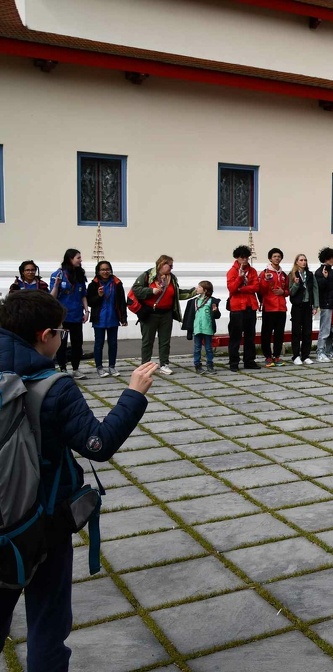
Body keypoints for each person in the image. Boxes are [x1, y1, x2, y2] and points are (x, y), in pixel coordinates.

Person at [0, 290, 156, 671]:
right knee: (48, 625)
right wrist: (133, 394)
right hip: (43, 522)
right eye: (61, 332)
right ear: (45, 336)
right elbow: (97, 444)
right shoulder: (54, 386)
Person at [131, 255, 192, 375]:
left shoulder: (172, 278)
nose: (171, 268)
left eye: (172, 265)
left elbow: (176, 293)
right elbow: (136, 290)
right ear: (161, 264)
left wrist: (193, 292)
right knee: (148, 341)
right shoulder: (148, 275)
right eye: (169, 265)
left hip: (166, 314)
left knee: (165, 341)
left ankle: (164, 364)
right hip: (150, 314)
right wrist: (151, 291)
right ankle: (145, 365)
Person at [50, 249, 89, 379]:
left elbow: (83, 295)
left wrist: (86, 311)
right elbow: (52, 297)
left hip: (77, 316)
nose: (80, 260)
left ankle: (76, 369)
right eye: (78, 258)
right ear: (70, 258)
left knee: (77, 344)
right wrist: (56, 285)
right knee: (61, 344)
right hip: (62, 316)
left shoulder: (79, 275)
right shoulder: (58, 274)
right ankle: (63, 368)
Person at [86, 261, 127, 378]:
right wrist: (98, 296)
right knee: (99, 344)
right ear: (98, 271)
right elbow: (90, 302)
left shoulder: (117, 283)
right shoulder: (93, 284)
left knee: (113, 344)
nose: (105, 272)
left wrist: (123, 318)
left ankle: (112, 366)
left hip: (113, 318)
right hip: (99, 318)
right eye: (102, 269)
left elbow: (122, 302)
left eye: (107, 269)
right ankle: (99, 367)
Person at [225, 245, 260, 372]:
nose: (245, 260)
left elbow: (256, 287)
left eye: (246, 257)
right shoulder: (232, 271)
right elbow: (232, 289)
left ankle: (249, 361)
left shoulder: (252, 271)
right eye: (242, 258)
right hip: (237, 308)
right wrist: (240, 278)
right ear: (237, 258)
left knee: (250, 336)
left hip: (250, 306)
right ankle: (234, 362)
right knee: (235, 337)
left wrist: (242, 289)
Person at [259, 248, 289, 368]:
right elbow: (260, 290)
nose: (277, 258)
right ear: (270, 258)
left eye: (279, 256)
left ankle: (277, 356)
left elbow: (287, 290)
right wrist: (265, 281)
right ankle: (267, 356)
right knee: (266, 333)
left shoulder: (284, 275)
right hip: (269, 307)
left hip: (281, 308)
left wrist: (283, 292)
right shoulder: (264, 273)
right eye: (274, 256)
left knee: (279, 334)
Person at [182, 281, 221, 374]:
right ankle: (197, 365)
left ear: (205, 290)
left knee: (208, 348)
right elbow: (189, 316)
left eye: (199, 287)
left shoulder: (212, 301)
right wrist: (189, 329)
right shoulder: (194, 301)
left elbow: (217, 316)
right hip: (197, 328)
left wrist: (215, 311)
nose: (197, 288)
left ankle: (210, 365)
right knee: (197, 348)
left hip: (207, 328)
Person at [288, 253, 318, 365]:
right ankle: (296, 355)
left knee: (307, 332)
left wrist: (315, 305)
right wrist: (296, 284)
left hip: (307, 306)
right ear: (296, 262)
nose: (303, 262)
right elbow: (291, 292)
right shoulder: (292, 274)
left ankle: (305, 355)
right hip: (297, 306)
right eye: (301, 260)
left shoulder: (310, 274)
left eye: (305, 260)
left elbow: (315, 290)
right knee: (296, 332)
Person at [314, 247, 333, 363]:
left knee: (331, 330)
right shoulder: (319, 272)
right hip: (325, 304)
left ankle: (329, 350)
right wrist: (324, 279)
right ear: (327, 259)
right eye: (332, 258)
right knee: (324, 329)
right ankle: (320, 352)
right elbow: (319, 288)